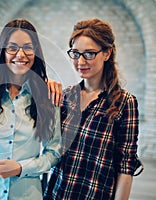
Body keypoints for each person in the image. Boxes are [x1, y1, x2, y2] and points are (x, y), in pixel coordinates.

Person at [0, 18, 62, 200]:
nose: (20, 54)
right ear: (3, 52)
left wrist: (21, 167)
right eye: (12, 47)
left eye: (28, 47)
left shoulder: (47, 97)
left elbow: (53, 152)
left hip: (26, 194)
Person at [44, 18, 143, 200]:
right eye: (75, 53)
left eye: (89, 53)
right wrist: (43, 85)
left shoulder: (124, 102)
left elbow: (126, 166)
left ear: (107, 53)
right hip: (58, 193)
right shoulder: (66, 97)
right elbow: (46, 146)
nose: (80, 61)